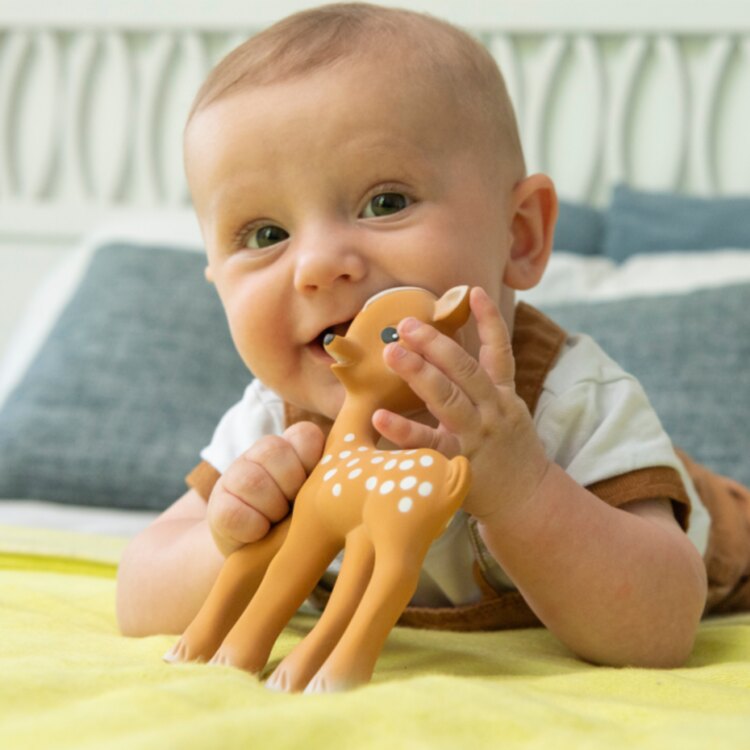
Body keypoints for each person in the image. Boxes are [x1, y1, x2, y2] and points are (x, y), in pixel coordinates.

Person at [116, 3, 712, 668]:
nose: (316, 265)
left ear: (520, 235)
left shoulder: (570, 399)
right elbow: (136, 595)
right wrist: (227, 539)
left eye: (385, 203)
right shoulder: (276, 424)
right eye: (265, 235)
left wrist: (524, 491)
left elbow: (659, 631)